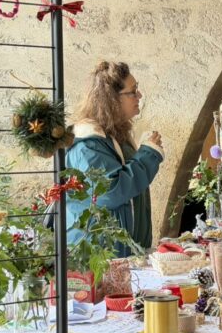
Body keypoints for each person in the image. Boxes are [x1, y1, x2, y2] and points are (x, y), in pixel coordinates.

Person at [66, 61, 164, 255]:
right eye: (133, 91)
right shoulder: (88, 144)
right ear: (112, 99)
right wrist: (149, 153)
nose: (139, 95)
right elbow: (111, 190)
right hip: (99, 256)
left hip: (122, 253)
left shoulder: (115, 136)